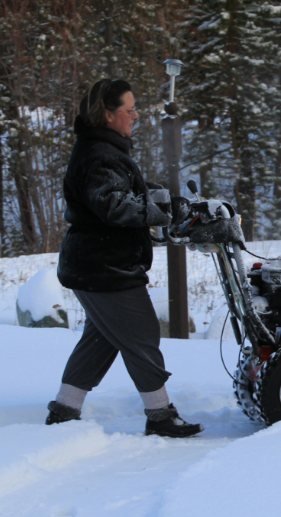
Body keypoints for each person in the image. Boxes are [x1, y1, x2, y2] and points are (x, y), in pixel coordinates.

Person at [47, 78, 203, 438]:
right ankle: (160, 415)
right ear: (107, 114)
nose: (135, 116)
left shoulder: (103, 149)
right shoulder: (99, 155)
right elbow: (115, 205)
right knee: (141, 335)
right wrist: (163, 209)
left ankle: (64, 411)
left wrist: (165, 198)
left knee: (102, 338)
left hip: (95, 263)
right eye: (128, 110)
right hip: (104, 266)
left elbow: (127, 190)